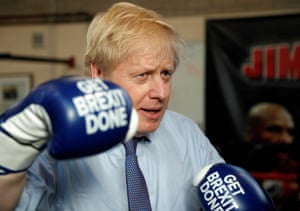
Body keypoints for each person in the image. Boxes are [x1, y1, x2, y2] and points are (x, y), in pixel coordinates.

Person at [0, 2, 225, 210]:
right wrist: (10, 154)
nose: (162, 93)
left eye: (165, 73)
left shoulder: (186, 133)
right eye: (143, 75)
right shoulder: (57, 141)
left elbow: (225, 194)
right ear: (98, 73)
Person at [243, 102, 299, 210]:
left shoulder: (292, 168)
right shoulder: (227, 170)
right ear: (251, 131)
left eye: (290, 132)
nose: (286, 139)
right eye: (275, 129)